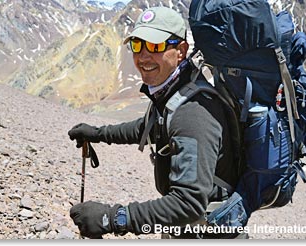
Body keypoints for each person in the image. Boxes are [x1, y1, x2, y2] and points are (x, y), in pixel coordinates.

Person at [68, 6, 243, 239]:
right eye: (137, 45)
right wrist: (99, 134)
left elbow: (187, 205)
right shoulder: (173, 93)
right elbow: (151, 127)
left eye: (155, 46)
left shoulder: (193, 112)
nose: (143, 56)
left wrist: (111, 218)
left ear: (181, 50)